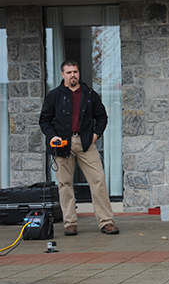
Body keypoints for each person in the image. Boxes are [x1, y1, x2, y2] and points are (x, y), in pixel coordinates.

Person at [39, 60, 119, 236]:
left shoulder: (89, 94)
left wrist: (96, 135)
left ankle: (106, 222)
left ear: (78, 73)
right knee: (65, 184)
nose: (72, 75)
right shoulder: (54, 95)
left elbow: (102, 117)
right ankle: (70, 223)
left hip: (86, 144)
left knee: (98, 180)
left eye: (75, 71)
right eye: (68, 72)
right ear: (63, 75)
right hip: (62, 145)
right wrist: (53, 137)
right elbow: (44, 120)